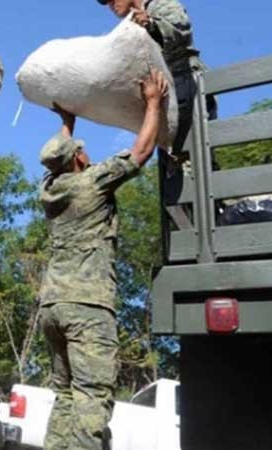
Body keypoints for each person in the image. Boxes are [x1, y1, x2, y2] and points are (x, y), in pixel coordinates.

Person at [37, 70, 168, 450]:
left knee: (65, 397)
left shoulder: (49, 189)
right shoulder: (92, 182)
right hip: (87, 307)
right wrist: (154, 101)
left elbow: (56, 154)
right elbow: (140, 152)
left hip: (53, 308)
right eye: (82, 149)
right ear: (78, 158)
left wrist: (66, 122)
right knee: (92, 397)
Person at [98, 0, 217, 154]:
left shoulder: (159, 4)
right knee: (174, 162)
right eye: (105, 2)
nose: (110, 4)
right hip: (165, 97)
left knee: (197, 155)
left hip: (186, 85)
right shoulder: (130, 24)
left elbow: (181, 30)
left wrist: (151, 25)